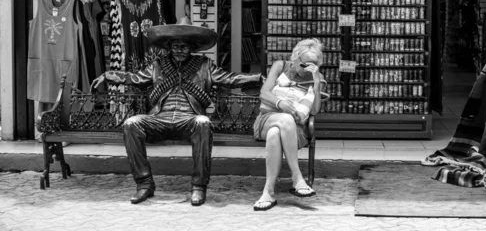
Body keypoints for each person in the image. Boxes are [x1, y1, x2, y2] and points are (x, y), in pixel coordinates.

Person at [90, 16, 262, 206]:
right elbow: (135, 78)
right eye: (175, 46)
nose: (180, 50)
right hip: (159, 118)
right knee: (132, 124)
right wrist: (109, 74)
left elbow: (230, 79)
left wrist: (258, 78)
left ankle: (199, 186)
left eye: (184, 46)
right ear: (169, 47)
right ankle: (144, 183)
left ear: (192, 48)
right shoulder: (157, 65)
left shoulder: (204, 65)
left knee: (203, 123)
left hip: (189, 119)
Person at [252, 38, 327, 211]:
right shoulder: (280, 66)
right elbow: (264, 93)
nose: (307, 69)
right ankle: (297, 177)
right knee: (285, 119)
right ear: (295, 59)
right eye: (304, 64)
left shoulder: (317, 77)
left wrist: (316, 83)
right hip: (267, 118)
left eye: (313, 65)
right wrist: (280, 103)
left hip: (296, 131)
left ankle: (268, 192)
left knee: (275, 134)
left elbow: (314, 111)